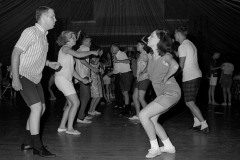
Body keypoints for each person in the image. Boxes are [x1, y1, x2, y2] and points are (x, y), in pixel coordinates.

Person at [11, 6, 59, 157]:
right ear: (43, 17)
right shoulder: (30, 32)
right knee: (37, 109)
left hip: (36, 78)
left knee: (41, 110)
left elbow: (35, 57)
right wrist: (16, 78)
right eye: (53, 16)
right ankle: (38, 147)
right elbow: (16, 53)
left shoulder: (44, 36)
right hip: (23, 75)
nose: (55, 19)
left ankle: (27, 142)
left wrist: (49, 63)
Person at [139, 30, 181, 158]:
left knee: (143, 114)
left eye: (152, 35)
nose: (149, 37)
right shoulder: (152, 57)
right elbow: (150, 73)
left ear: (159, 41)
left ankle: (155, 148)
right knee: (152, 119)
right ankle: (168, 146)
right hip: (163, 94)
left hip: (171, 92)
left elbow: (175, 66)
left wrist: (166, 78)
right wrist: (144, 73)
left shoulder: (166, 56)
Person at [54, 31, 97, 135]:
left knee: (70, 104)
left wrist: (82, 80)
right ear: (67, 39)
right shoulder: (65, 48)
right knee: (76, 103)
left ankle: (62, 127)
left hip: (65, 80)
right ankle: (70, 129)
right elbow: (78, 54)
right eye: (73, 38)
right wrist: (91, 52)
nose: (75, 40)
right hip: (62, 79)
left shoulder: (68, 51)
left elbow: (72, 71)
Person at [174, 26, 209, 133]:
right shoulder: (190, 44)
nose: (174, 35)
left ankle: (204, 124)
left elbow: (181, 65)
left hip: (190, 76)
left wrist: (172, 75)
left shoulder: (183, 46)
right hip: (195, 75)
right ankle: (197, 123)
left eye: (175, 34)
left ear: (179, 34)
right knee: (190, 101)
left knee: (189, 102)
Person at [75, 37, 99, 124]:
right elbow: (82, 60)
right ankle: (80, 117)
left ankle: (82, 115)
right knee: (86, 97)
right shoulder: (85, 48)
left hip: (80, 75)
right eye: (89, 41)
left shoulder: (79, 49)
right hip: (83, 75)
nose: (90, 43)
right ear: (84, 42)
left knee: (83, 97)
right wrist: (92, 68)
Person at [129, 41, 150, 121]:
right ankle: (138, 115)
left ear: (143, 45)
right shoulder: (141, 54)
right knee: (135, 97)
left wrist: (143, 72)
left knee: (141, 98)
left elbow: (149, 65)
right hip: (139, 78)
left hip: (144, 78)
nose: (136, 46)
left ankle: (148, 116)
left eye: (138, 44)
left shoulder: (145, 54)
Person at [111, 43, 133, 115]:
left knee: (125, 92)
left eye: (112, 48)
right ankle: (126, 108)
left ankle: (127, 109)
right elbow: (117, 68)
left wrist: (118, 61)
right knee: (124, 93)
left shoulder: (122, 54)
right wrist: (112, 73)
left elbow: (128, 61)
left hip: (126, 74)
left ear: (116, 48)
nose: (111, 49)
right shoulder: (115, 55)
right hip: (121, 75)